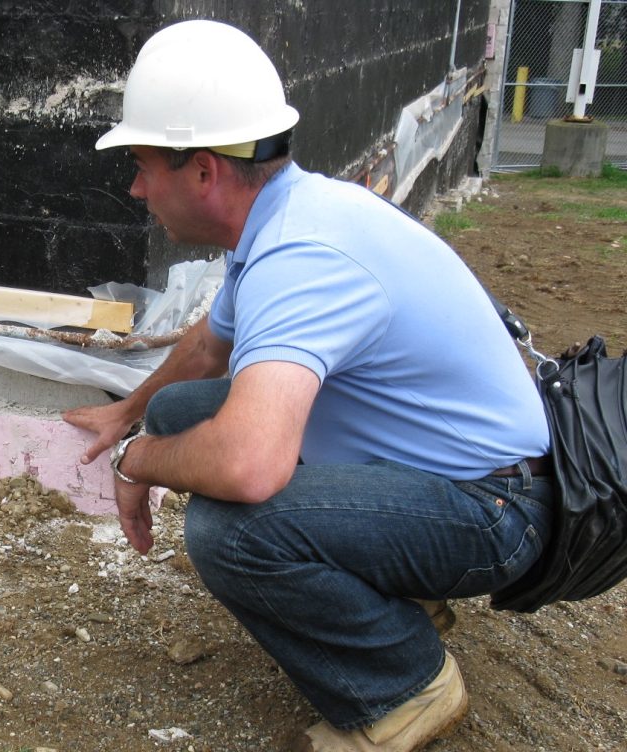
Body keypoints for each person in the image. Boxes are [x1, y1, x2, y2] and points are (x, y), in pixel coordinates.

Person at [62, 18, 554, 752]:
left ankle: (403, 685)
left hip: (496, 506)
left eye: (141, 164)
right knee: (177, 410)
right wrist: (129, 418)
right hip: (441, 468)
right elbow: (206, 348)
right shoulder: (285, 217)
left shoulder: (303, 258)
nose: (135, 188)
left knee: (229, 531)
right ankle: (389, 590)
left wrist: (139, 464)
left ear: (204, 171)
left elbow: (248, 466)